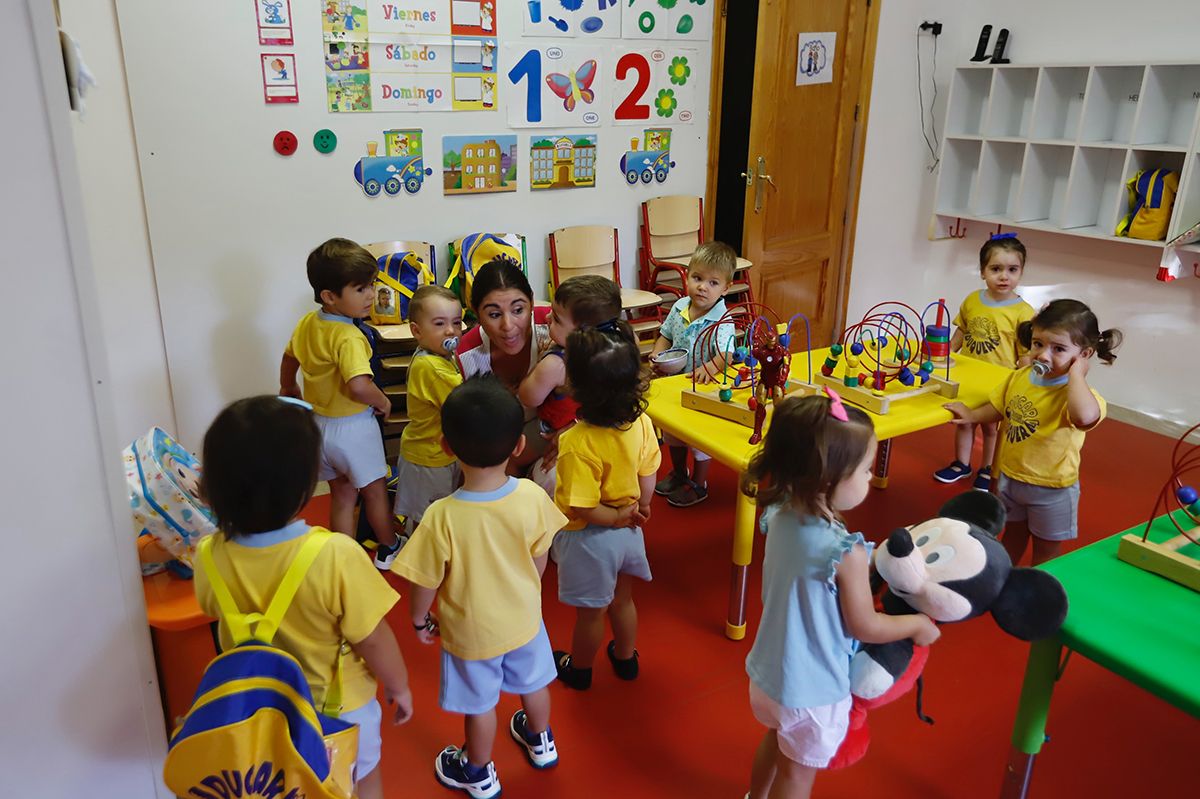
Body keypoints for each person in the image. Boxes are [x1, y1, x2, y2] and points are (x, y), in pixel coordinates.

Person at [194, 396, 413, 799]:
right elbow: (373, 637)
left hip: (255, 709)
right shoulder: (335, 554)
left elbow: (212, 608)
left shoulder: (208, 555)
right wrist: (399, 685)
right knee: (361, 780)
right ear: (303, 486)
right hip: (340, 709)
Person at [741, 390, 940, 799]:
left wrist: (869, 557)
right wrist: (917, 624)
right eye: (866, 470)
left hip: (768, 676)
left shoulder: (779, 513)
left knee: (776, 740)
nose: (871, 478)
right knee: (797, 774)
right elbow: (865, 624)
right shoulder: (844, 552)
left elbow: (812, 569)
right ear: (830, 478)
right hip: (813, 689)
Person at [392, 376, 567, 799]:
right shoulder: (529, 495)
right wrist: (528, 586)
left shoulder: (441, 516)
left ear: (446, 445)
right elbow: (541, 554)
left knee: (480, 704)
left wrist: (419, 620)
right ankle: (542, 743)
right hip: (525, 618)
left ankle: (478, 771)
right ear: (519, 447)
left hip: (471, 631)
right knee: (534, 683)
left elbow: (425, 580)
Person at [944, 299, 1121, 566]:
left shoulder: (1079, 395)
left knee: (1046, 551)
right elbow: (999, 406)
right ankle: (1004, 579)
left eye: (1059, 348)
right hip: (1011, 477)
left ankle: (1039, 592)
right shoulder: (1021, 377)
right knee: (1011, 537)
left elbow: (1083, 417)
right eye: (1038, 344)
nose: (1043, 355)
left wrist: (1076, 376)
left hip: (1052, 488)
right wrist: (971, 416)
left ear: (1083, 355)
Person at [280, 238, 404, 569]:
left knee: (342, 494)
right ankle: (389, 547)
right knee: (375, 492)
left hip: (319, 426)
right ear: (330, 296)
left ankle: (345, 560)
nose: (370, 296)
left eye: (372, 286)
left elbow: (289, 355)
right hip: (353, 428)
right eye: (360, 289)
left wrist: (287, 384)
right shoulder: (349, 336)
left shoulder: (309, 322)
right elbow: (359, 384)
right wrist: (384, 401)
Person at [550, 321, 658, 691]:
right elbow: (649, 472)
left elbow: (580, 506)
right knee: (623, 601)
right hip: (630, 529)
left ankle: (579, 669)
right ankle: (626, 658)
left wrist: (612, 517)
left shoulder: (576, 441)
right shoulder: (641, 422)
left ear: (577, 388)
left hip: (591, 538)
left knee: (590, 615)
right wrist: (641, 507)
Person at [934, 233, 1035, 491]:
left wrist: (1025, 382)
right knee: (964, 420)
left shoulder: (1024, 313)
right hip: (968, 376)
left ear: (1021, 273)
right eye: (996, 269)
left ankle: (987, 467)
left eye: (1012, 270)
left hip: (998, 383)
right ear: (982, 272)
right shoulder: (972, 301)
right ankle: (961, 463)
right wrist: (945, 356)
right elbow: (961, 334)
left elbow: (1025, 354)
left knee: (991, 428)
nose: (1004, 276)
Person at [650, 241, 737, 507]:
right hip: (675, 382)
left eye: (713, 283)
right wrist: (656, 354)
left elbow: (727, 354)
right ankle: (679, 472)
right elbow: (665, 335)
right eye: (697, 278)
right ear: (687, 276)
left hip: (703, 386)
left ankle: (700, 484)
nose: (702, 287)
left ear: (725, 288)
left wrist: (708, 368)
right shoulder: (678, 307)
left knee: (699, 440)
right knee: (674, 431)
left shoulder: (723, 320)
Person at [518, 274, 622, 492]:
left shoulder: (555, 364)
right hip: (600, 427)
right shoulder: (616, 351)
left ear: (580, 334)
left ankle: (518, 503)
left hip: (550, 431)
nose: (547, 317)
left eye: (556, 319)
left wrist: (540, 361)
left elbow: (528, 397)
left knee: (508, 455)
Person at [456, 257, 555, 472]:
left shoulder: (555, 329)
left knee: (556, 477)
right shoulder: (465, 355)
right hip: (499, 452)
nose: (508, 326)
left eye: (518, 310)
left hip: (559, 438)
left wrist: (570, 428)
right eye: (494, 314)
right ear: (476, 312)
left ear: (531, 302)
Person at [393, 285, 464, 538]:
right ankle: (419, 554)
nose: (451, 331)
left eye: (457, 322)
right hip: (428, 456)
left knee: (440, 509)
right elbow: (463, 402)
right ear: (417, 331)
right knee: (428, 516)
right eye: (439, 323)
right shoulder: (432, 367)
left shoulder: (438, 355)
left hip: (438, 452)